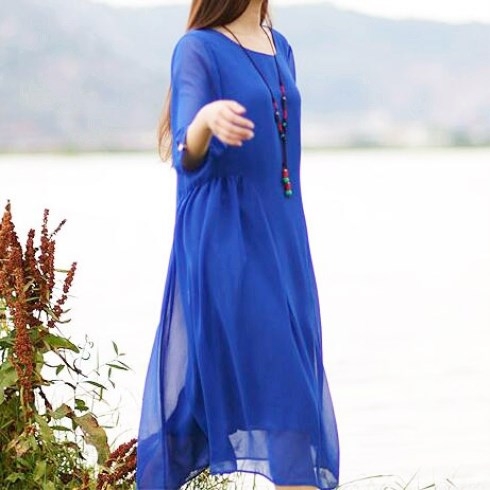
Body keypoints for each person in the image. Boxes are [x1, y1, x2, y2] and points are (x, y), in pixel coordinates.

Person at [136, 0, 340, 488]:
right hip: (228, 242)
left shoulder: (280, 47)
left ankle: (163, 470)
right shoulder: (197, 48)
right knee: (288, 394)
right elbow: (186, 154)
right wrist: (206, 120)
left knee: (206, 397)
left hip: (283, 240)